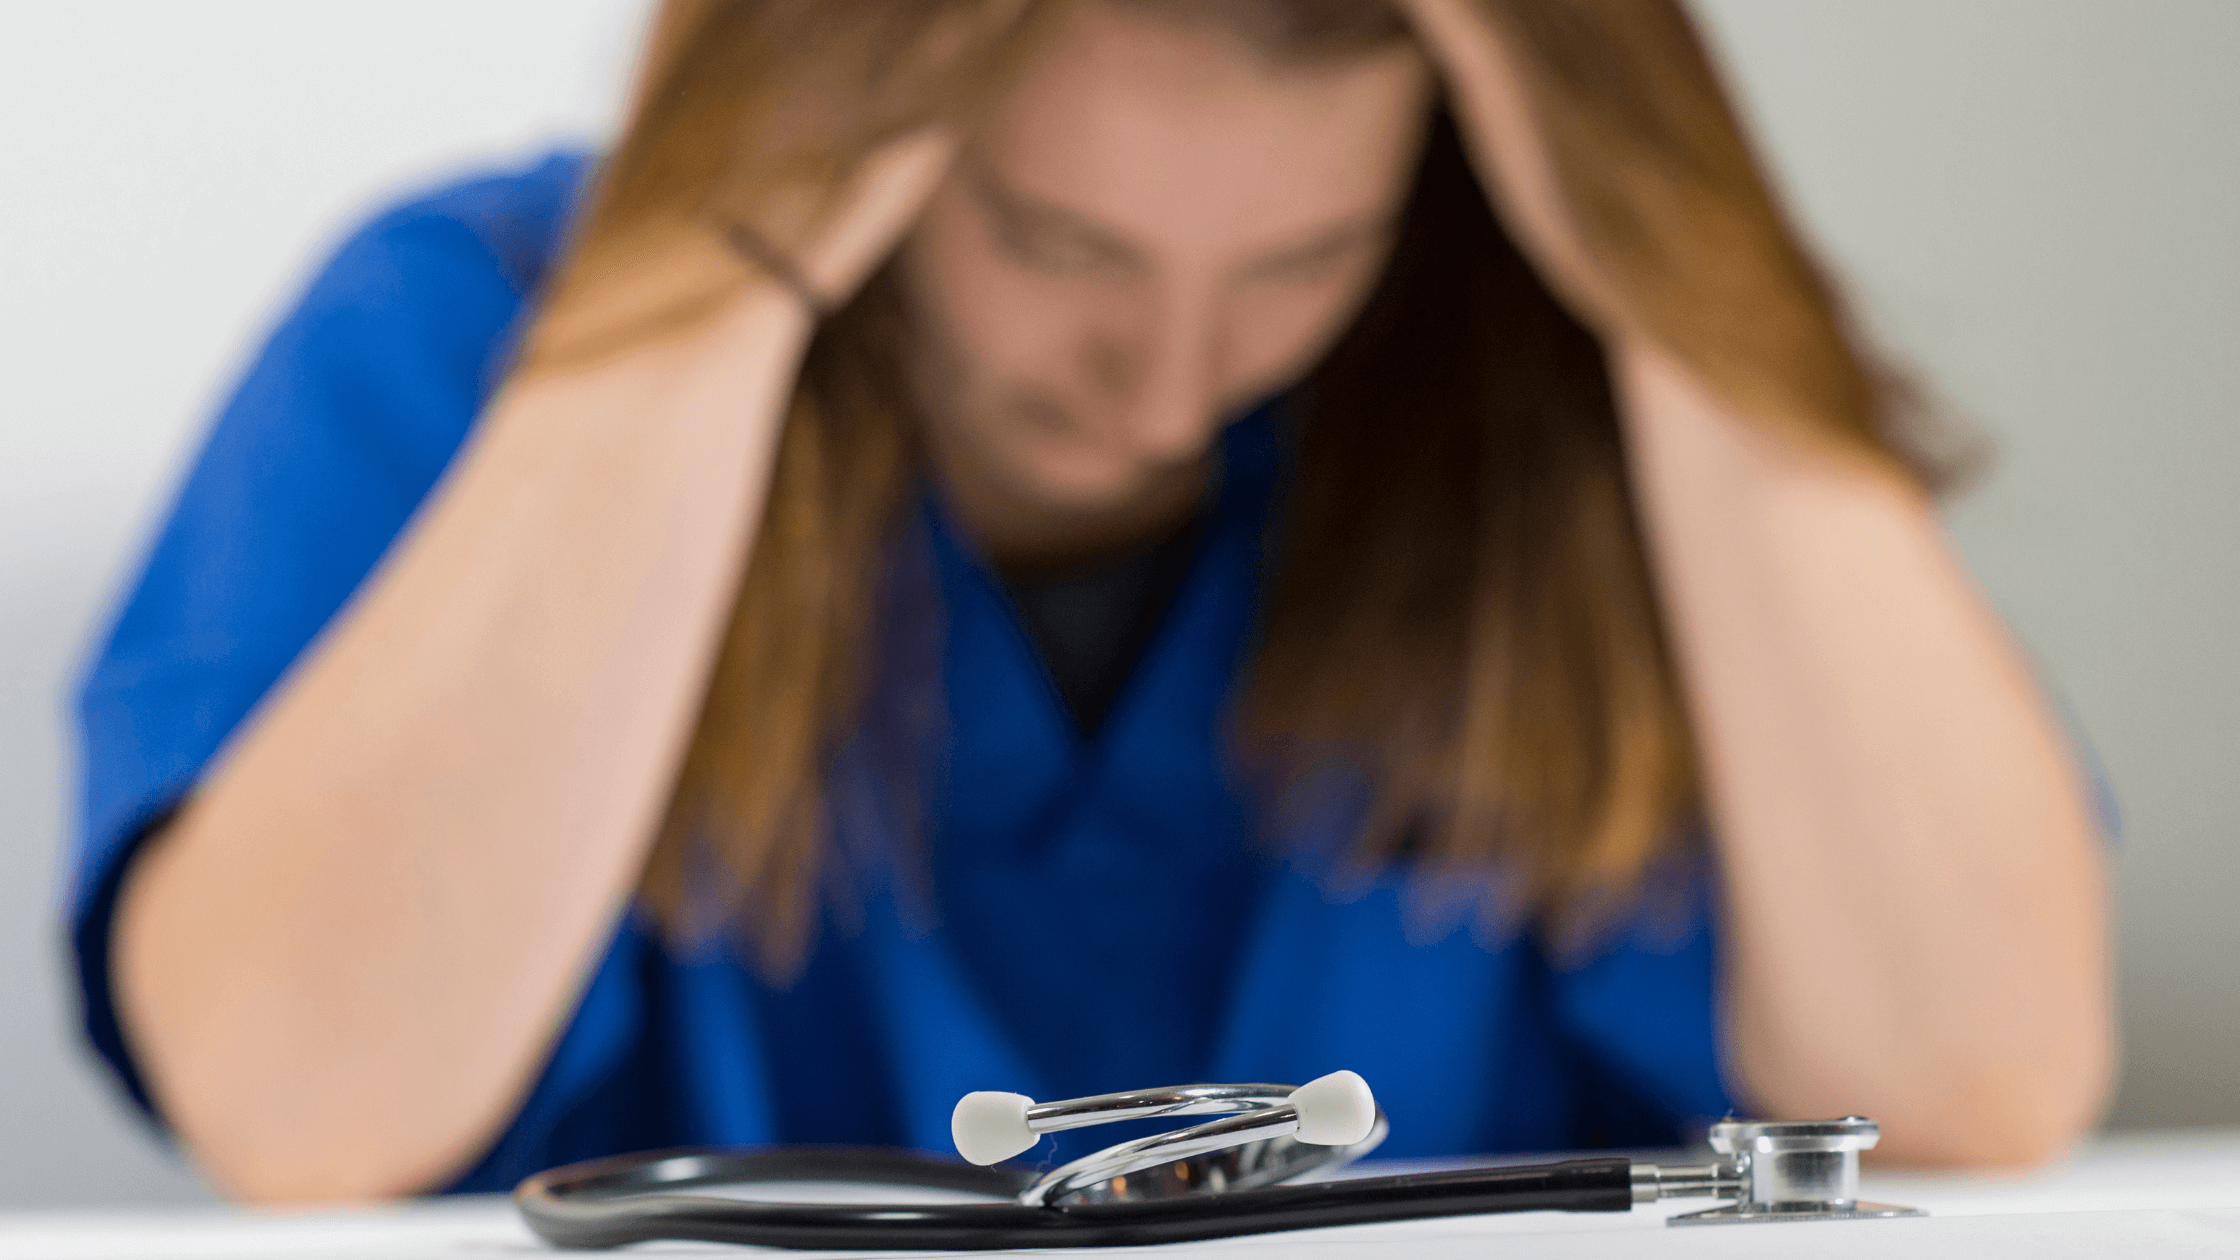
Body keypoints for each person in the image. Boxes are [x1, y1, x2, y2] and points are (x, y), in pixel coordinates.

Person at [68, 0, 2112, 1204]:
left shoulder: (1551, 396)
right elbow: (296, 1107)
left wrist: (1675, 261)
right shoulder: (461, 336)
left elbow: (1983, 1085)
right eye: (1057, 245)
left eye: (1304, 260)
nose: (1167, 395)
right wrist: (704, 285)